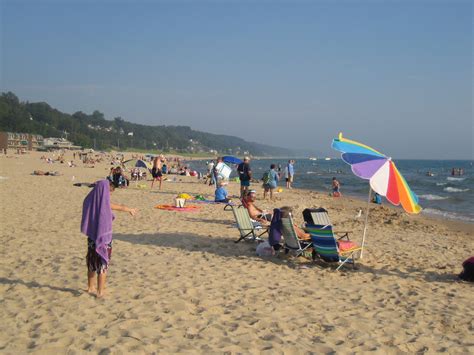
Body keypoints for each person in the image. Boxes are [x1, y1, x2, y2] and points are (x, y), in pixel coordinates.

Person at [81, 179, 138, 298]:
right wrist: (130, 210)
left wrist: (128, 209)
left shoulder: (90, 200)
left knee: (91, 262)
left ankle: (90, 287)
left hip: (92, 236)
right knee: (102, 262)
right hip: (103, 238)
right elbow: (118, 207)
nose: (109, 195)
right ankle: (100, 291)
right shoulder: (103, 203)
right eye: (109, 192)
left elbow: (117, 207)